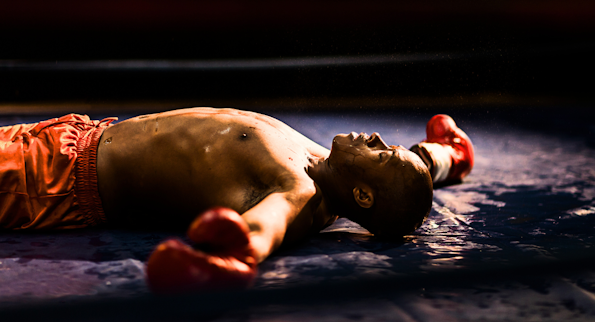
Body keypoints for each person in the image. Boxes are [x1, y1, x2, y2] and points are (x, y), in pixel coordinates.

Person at [0, 108, 474, 293]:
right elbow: (407, 175)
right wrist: (442, 157)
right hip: (76, 133)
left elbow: (265, 227)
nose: (375, 136)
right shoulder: (331, 163)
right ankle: (457, 156)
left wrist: (233, 254)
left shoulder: (302, 192)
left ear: (363, 193)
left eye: (382, 154)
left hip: (50, 176)